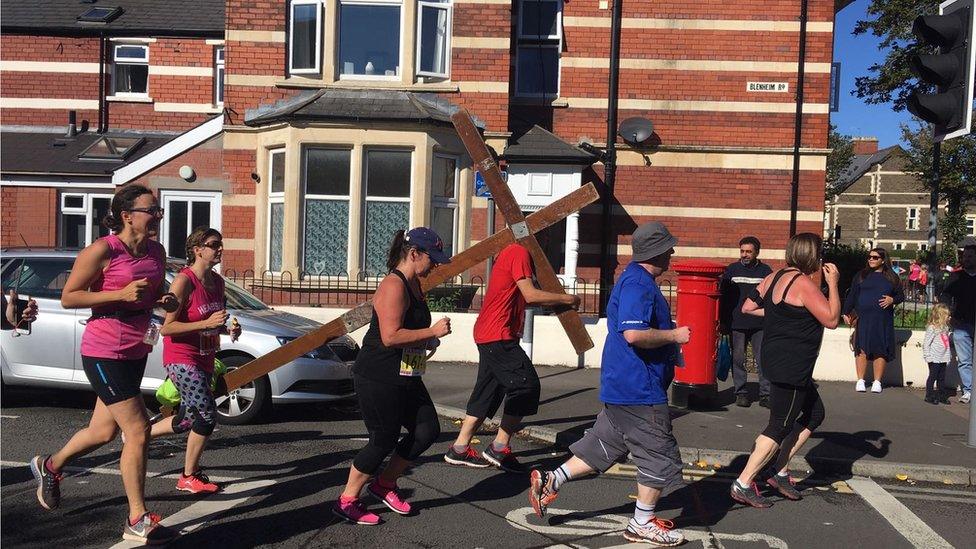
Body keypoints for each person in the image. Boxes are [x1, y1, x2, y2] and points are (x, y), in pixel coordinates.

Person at [29, 184, 180, 544]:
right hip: (103, 350)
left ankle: (50, 465)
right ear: (127, 215)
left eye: (158, 210)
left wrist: (165, 300)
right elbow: (69, 297)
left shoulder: (156, 251)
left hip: (136, 349)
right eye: (151, 210)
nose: (158, 215)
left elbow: (155, 295)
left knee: (103, 432)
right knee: (139, 429)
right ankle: (137, 517)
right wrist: (119, 293)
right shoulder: (102, 250)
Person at [525, 221, 688, 546]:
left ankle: (551, 479)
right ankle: (642, 523)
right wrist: (674, 335)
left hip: (623, 386)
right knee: (658, 455)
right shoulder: (638, 284)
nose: (672, 252)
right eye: (668, 247)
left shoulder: (635, 280)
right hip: (639, 389)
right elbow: (634, 334)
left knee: (606, 445)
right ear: (656, 251)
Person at [334, 227, 452, 526]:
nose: (435, 264)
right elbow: (389, 336)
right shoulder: (393, 285)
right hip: (377, 374)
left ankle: (384, 484)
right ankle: (348, 499)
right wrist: (432, 332)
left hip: (406, 373)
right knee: (382, 439)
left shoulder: (414, 285)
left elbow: (407, 331)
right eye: (432, 258)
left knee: (427, 430)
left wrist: (425, 341)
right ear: (414, 254)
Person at [444, 237, 580, 472]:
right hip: (498, 334)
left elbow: (516, 297)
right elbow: (530, 295)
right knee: (527, 386)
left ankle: (459, 448)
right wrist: (568, 298)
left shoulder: (509, 253)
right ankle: (499, 447)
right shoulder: (519, 252)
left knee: (488, 390)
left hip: (489, 331)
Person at [730, 233, 840, 508]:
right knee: (779, 424)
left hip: (776, 358)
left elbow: (748, 306)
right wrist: (834, 284)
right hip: (792, 364)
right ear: (811, 255)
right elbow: (832, 319)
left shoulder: (772, 278)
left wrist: (782, 315)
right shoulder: (804, 285)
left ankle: (778, 472)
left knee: (815, 413)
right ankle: (743, 483)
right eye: (819, 253)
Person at [147, 227, 240, 494]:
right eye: (213, 244)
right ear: (197, 250)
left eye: (220, 244)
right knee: (207, 416)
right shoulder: (184, 282)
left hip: (206, 356)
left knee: (188, 419)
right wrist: (205, 323)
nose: (219, 249)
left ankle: (139, 434)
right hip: (181, 358)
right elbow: (167, 328)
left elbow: (212, 322)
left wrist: (227, 329)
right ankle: (189, 475)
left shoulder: (218, 282)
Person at [720, 236, 773, 408]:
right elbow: (724, 298)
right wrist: (724, 321)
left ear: (757, 252)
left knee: (762, 359)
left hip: (759, 324)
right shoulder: (732, 270)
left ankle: (765, 394)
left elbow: (770, 298)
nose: (745, 255)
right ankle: (741, 393)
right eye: (742, 251)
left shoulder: (766, 271)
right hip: (737, 323)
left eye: (749, 251)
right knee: (738, 359)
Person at [842, 248, 904, 394]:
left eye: (875, 257)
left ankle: (877, 381)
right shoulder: (861, 275)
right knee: (861, 348)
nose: (871, 259)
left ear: (883, 259)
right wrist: (845, 312)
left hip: (882, 319)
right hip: (863, 318)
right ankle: (860, 380)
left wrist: (892, 299)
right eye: (869, 257)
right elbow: (852, 294)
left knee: (880, 349)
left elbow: (901, 296)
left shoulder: (892, 277)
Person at [940, 244, 976, 404]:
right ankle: (968, 390)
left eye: (970, 256)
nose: (966, 259)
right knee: (964, 360)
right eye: (965, 256)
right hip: (962, 323)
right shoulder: (957, 276)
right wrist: (949, 314)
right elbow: (945, 295)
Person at [922, 304, 952, 405]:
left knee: (941, 377)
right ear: (941, 316)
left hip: (943, 357)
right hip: (934, 358)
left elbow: (946, 344)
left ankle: (941, 395)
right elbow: (926, 343)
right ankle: (929, 395)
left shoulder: (945, 328)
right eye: (947, 315)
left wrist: (948, 355)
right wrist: (927, 356)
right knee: (933, 376)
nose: (949, 317)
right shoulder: (932, 328)